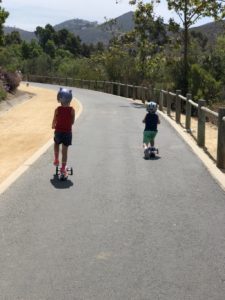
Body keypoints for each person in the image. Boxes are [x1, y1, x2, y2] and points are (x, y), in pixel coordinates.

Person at [52, 87, 75, 176]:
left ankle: (56, 159)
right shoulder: (72, 110)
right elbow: (72, 122)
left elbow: (54, 119)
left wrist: (53, 125)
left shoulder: (57, 109)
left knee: (56, 144)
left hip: (58, 131)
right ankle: (62, 168)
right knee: (65, 151)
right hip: (67, 132)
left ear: (60, 99)